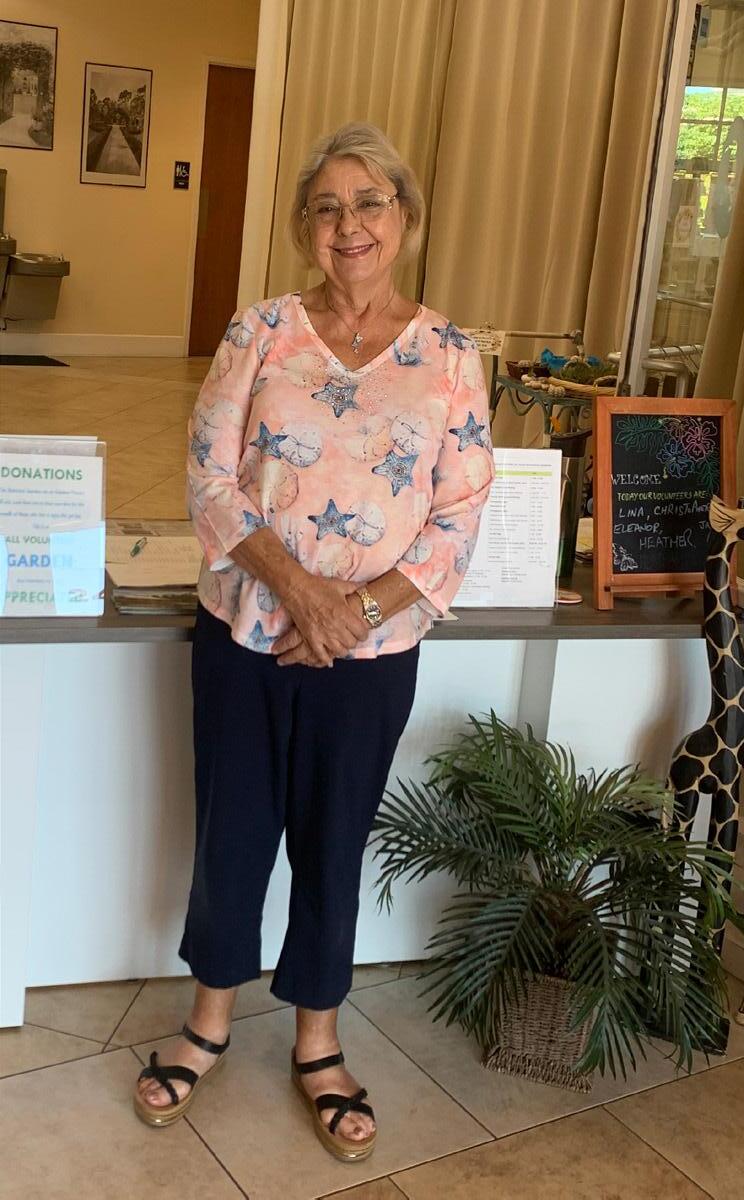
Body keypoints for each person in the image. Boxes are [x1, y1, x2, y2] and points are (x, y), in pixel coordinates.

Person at [134, 121, 494, 1161]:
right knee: (232, 831)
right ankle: (208, 1021)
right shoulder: (259, 332)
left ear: (405, 218)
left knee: (334, 842)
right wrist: (301, 593)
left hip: (369, 658)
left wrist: (357, 613)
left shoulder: (450, 356)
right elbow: (209, 477)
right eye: (328, 207)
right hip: (246, 634)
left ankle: (319, 1041)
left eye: (370, 202)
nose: (350, 225)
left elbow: (459, 517)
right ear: (304, 226)